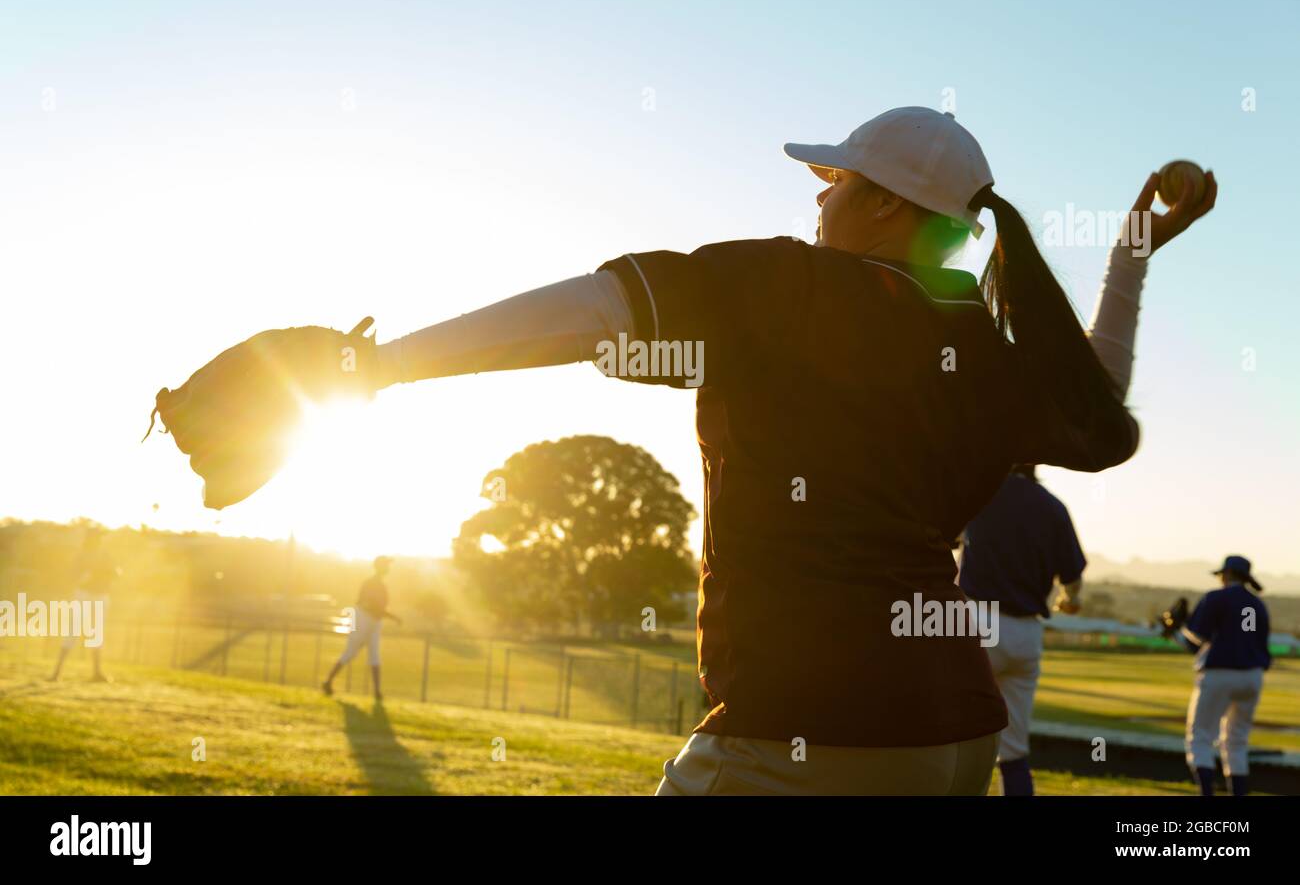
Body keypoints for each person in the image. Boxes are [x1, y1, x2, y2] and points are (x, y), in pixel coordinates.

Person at [348, 107, 1214, 793]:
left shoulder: (788, 282)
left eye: (834, 178)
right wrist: (1131, 253)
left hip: (810, 726)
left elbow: (600, 310)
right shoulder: (974, 338)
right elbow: (1092, 407)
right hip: (957, 734)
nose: (817, 196)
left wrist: (377, 365)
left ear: (882, 203)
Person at [957, 464, 1086, 796]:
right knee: (1013, 751)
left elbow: (946, 537)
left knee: (956, 739)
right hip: (1027, 632)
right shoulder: (1053, 505)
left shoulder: (978, 491)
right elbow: (1072, 582)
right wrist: (1068, 600)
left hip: (977, 622)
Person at [1171, 555, 1270, 796]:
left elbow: (1196, 639)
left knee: (1201, 736)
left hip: (1219, 672)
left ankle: (1207, 793)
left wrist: (1176, 628)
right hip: (1252, 676)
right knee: (1236, 741)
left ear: (1225, 575)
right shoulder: (1257, 605)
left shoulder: (1216, 598)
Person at [322, 555, 402, 701]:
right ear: (379, 566)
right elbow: (370, 605)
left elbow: (379, 608)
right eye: (386, 565)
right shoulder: (370, 583)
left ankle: (377, 692)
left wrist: (388, 616)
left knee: (375, 654)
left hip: (375, 621)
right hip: (362, 618)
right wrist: (392, 617)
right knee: (350, 652)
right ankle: (328, 682)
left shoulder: (382, 585)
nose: (388, 568)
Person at [50, 531, 119, 683]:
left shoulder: (105, 554)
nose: (99, 541)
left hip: (101, 595)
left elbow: (115, 572)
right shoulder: (81, 555)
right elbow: (73, 576)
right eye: (97, 538)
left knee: (96, 633)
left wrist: (110, 573)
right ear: (90, 539)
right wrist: (86, 576)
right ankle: (56, 673)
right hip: (84, 595)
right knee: (73, 631)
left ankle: (97, 673)